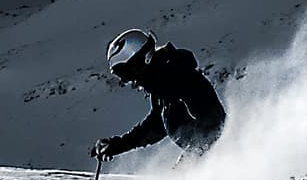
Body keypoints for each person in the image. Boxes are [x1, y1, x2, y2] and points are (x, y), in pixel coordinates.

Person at [93, 28, 225, 159]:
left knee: (170, 117)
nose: (130, 81)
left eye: (128, 73)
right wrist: (116, 145)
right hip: (206, 149)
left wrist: (200, 157)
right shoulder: (162, 83)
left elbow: (212, 121)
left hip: (218, 150)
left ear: (143, 60)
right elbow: (155, 126)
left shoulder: (176, 76)